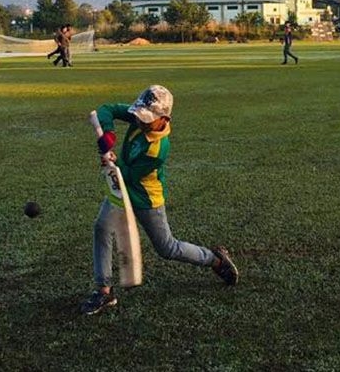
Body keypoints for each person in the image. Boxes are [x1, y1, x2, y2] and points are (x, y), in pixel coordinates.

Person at [80, 85, 239, 315]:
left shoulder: (157, 149)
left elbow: (129, 175)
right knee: (102, 227)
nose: (141, 122)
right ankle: (104, 292)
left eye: (147, 119)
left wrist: (110, 162)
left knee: (167, 248)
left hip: (145, 198)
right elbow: (107, 109)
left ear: (164, 119)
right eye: (140, 116)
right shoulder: (139, 117)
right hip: (120, 191)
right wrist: (108, 135)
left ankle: (215, 260)